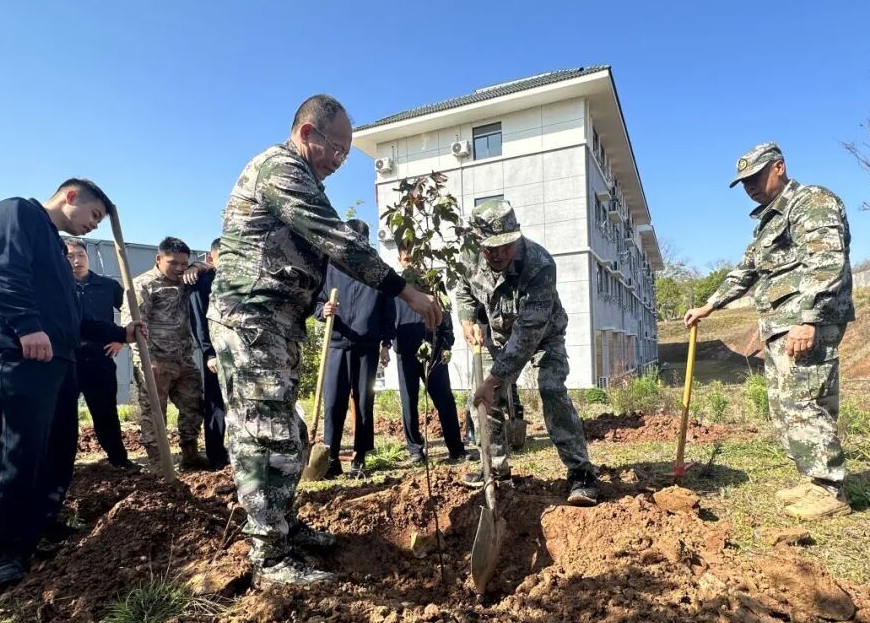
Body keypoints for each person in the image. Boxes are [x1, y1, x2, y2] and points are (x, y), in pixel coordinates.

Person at [208, 93, 443, 587]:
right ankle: (269, 557)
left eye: (345, 153)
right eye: (335, 148)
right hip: (251, 318)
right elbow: (337, 242)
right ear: (307, 133)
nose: (339, 160)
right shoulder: (280, 170)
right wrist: (407, 291)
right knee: (264, 433)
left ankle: (284, 524)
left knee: (289, 431)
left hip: (276, 322)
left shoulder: (304, 177)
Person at [0, 179, 143, 587]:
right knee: (22, 447)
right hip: (23, 352)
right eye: (94, 215)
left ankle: (41, 522)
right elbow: (2, 272)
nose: (95, 225)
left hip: (60, 358)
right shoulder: (17, 213)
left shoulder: (55, 246)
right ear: (70, 197)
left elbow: (71, 317)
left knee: (59, 446)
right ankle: (8, 547)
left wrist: (119, 333)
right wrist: (26, 326)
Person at [684, 143, 855, 521]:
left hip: (805, 323)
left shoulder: (811, 202)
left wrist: (809, 319)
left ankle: (830, 490)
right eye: (744, 183)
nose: (750, 187)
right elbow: (745, 270)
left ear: (779, 167)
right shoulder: (769, 222)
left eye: (756, 178)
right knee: (785, 406)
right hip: (780, 325)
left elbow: (826, 261)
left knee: (806, 400)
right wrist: (710, 305)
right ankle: (812, 479)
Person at [456, 200, 599, 506]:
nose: (498, 254)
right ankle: (495, 471)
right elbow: (463, 291)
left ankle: (581, 473)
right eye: (490, 248)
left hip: (543, 336)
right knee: (482, 401)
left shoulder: (539, 264)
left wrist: (493, 380)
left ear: (516, 235)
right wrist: (467, 320)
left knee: (552, 389)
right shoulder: (468, 257)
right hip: (496, 338)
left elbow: (527, 334)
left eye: (506, 246)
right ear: (478, 243)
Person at [314, 221, 396, 479]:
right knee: (333, 402)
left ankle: (360, 458)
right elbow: (316, 300)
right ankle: (331, 458)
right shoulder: (330, 267)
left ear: (366, 241)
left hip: (367, 346)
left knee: (363, 402)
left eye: (360, 240)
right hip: (337, 343)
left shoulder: (378, 270)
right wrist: (323, 310)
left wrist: (386, 344)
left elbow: (388, 311)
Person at [124, 237, 208, 471]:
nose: (179, 268)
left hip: (184, 359)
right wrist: (146, 361)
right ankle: (158, 463)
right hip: (156, 361)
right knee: (154, 414)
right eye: (173, 263)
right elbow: (133, 328)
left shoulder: (186, 280)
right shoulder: (143, 285)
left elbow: (211, 265)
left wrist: (196, 266)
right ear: (158, 259)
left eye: (184, 263)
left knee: (193, 406)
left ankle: (190, 455)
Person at [393, 243, 474, 466]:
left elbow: (445, 313)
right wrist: (386, 344)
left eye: (416, 258)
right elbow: (388, 315)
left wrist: (447, 342)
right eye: (407, 259)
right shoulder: (396, 285)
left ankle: (456, 449)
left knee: (444, 399)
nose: (412, 263)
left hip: (435, 349)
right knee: (409, 402)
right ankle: (415, 451)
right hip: (405, 351)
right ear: (400, 260)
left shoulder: (434, 282)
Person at [64, 238, 135, 469]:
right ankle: (63, 465)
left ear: (88, 257)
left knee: (106, 411)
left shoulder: (107, 285)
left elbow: (130, 311)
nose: (76, 261)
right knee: (64, 414)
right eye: (70, 256)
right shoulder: (59, 287)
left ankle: (118, 459)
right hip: (67, 360)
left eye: (80, 255)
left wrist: (119, 338)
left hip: (99, 358)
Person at [187, 238, 229, 470]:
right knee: (216, 404)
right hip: (216, 353)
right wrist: (209, 352)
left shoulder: (240, 279)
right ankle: (216, 455)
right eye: (224, 257)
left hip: (241, 352)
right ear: (212, 258)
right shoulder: (203, 282)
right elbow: (199, 319)